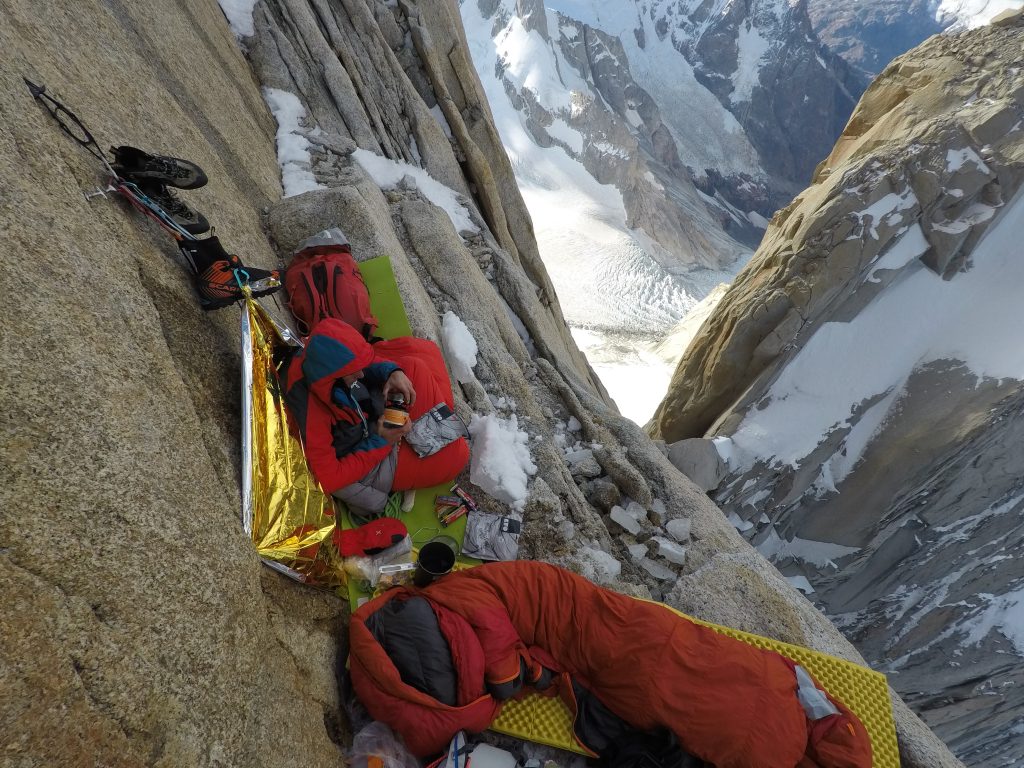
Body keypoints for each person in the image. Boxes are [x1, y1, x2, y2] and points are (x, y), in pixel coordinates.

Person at [282, 317, 469, 518]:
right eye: (354, 372)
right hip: (370, 457)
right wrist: (382, 440)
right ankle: (436, 420)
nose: (361, 375)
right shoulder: (312, 415)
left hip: (370, 414)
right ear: (333, 377)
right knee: (459, 455)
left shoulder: (317, 361)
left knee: (424, 354)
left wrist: (392, 372)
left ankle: (436, 414)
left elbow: (359, 364)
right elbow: (328, 478)